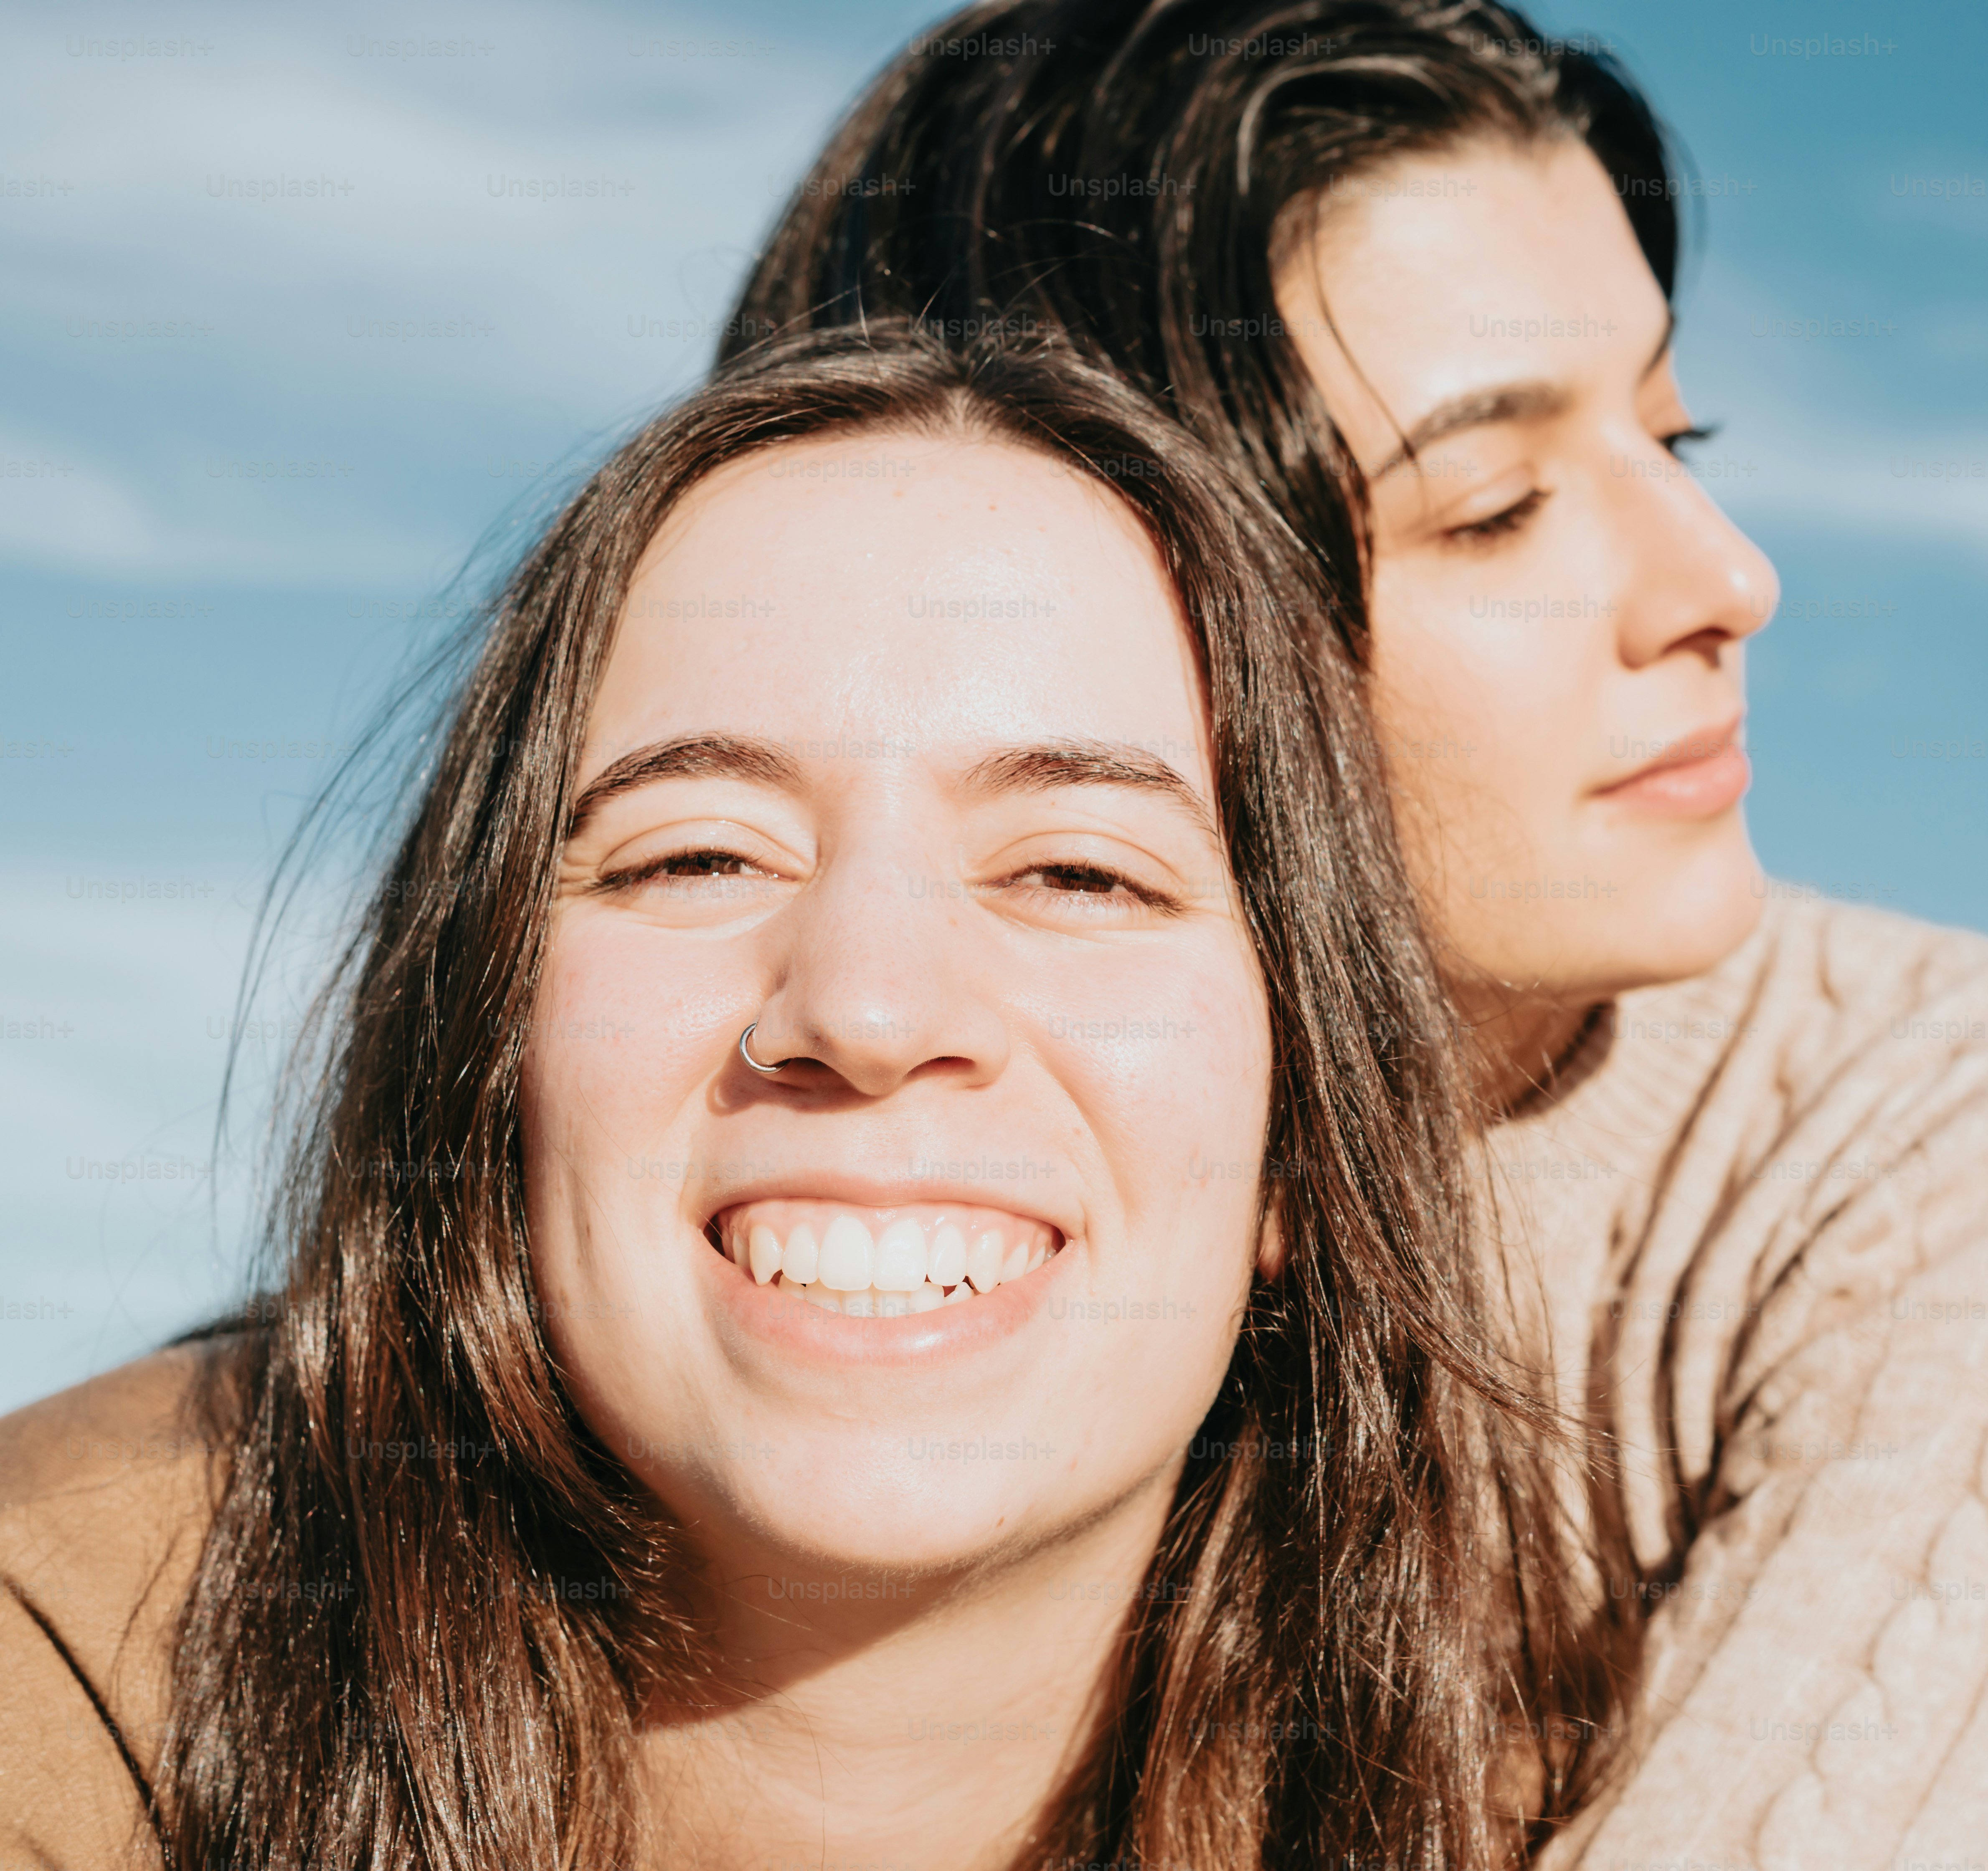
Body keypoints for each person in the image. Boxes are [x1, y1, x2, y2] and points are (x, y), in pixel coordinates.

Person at [725, 5, 1988, 1866]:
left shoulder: (1978, 1130)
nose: (1727, 578)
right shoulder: (842, 1167)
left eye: (1679, 432)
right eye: (1499, 505)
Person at [0, 335, 1626, 1868]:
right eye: (696, 853)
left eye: (1078, 870)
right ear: (484, 1054)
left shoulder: (1568, 1798)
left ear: (1302, 1132)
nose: (866, 1006)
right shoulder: (51, 1671)